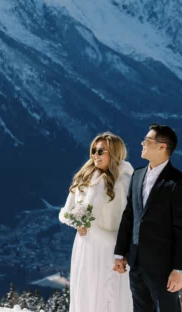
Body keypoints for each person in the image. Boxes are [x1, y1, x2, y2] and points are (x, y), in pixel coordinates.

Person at [113, 124, 182, 312]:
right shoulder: (137, 174)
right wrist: (120, 253)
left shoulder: (179, 183)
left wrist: (178, 269)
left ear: (162, 146)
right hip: (136, 261)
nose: (142, 143)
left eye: (147, 140)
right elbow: (129, 216)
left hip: (163, 266)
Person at [59, 132, 134, 312]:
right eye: (94, 150)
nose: (95, 155)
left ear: (114, 153)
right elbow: (68, 210)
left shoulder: (125, 181)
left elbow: (130, 221)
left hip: (111, 249)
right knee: (86, 291)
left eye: (101, 151)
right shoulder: (85, 178)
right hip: (85, 246)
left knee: (110, 295)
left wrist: (124, 252)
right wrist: (78, 222)